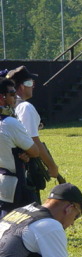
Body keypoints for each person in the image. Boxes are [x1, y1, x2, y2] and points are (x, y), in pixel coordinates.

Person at [7, 66, 59, 202]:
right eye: (30, 83)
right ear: (22, 86)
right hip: (24, 169)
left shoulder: (9, 108)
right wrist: (52, 166)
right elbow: (33, 142)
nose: (33, 86)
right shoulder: (25, 107)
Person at [0, 77, 40, 218]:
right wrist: (24, 152)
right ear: (1, 97)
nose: (15, 97)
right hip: (14, 184)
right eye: (11, 94)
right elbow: (35, 151)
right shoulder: (9, 123)